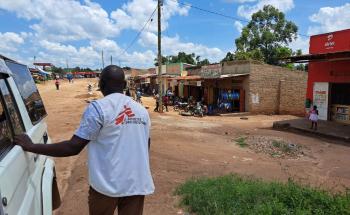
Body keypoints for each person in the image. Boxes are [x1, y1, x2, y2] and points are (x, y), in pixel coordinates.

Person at [14, 65, 154, 215]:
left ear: (101, 84)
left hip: (107, 187)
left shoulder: (99, 108)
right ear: (124, 85)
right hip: (137, 185)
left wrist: (31, 146)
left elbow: (73, 147)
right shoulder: (140, 110)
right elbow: (145, 145)